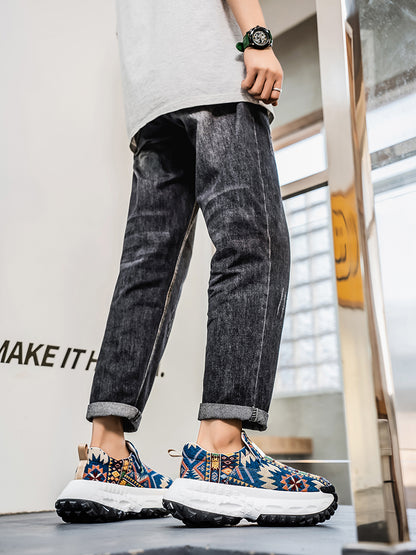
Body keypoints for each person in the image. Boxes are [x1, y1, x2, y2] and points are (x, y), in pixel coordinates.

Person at [55, 0, 338, 527]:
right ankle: (222, 454)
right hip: (211, 75)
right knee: (252, 245)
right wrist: (257, 37)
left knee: (147, 270)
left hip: (150, 97)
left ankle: (106, 456)